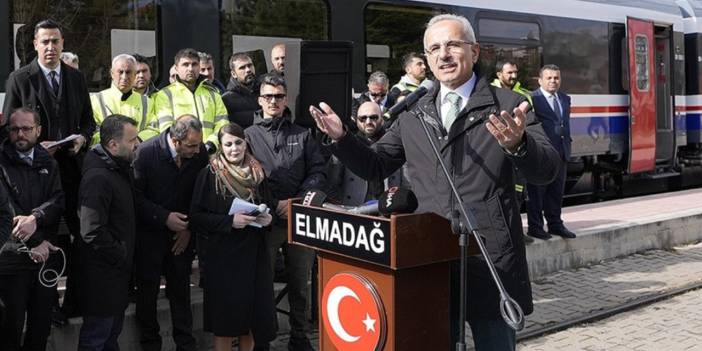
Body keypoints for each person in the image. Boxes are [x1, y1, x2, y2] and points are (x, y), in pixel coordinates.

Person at [310, 13, 560, 351]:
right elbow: (375, 164)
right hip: (429, 257)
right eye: (434, 48)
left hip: (489, 256)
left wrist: (519, 146)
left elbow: (547, 170)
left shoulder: (509, 105)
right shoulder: (415, 113)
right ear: (427, 59)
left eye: (452, 45)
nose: (443, 54)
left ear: (475, 51)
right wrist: (343, 139)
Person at [2, 18, 96, 325]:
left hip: (71, 169)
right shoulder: (20, 78)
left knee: (83, 235)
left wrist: (82, 137)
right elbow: (10, 129)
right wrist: (35, 147)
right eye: (45, 42)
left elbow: (88, 121)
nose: (51, 47)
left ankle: (74, 301)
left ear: (63, 43)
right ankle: (48, 303)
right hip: (34, 173)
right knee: (44, 235)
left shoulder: (76, 78)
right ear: (35, 45)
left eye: (56, 41)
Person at [245, 73, 326, 351]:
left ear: (286, 99)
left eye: (278, 96)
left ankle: (300, 338)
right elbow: (247, 177)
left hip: (300, 218)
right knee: (262, 284)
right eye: (268, 96)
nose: (273, 101)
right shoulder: (248, 136)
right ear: (260, 99)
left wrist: (298, 201)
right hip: (266, 220)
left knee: (300, 284)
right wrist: (274, 203)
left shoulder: (302, 133)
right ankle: (263, 341)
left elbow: (317, 170)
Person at [190, 123, 278, 351]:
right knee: (226, 324)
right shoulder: (209, 174)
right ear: (220, 147)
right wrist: (230, 222)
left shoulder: (258, 172)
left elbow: (269, 204)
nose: (234, 149)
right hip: (223, 259)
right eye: (228, 144)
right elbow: (196, 217)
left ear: (246, 143)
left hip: (254, 256)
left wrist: (268, 220)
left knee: (251, 320)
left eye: (238, 143)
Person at [133, 115, 208, 351]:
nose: (197, 151)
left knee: (180, 292)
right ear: (175, 141)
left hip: (182, 236)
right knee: (147, 293)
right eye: (191, 146)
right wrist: (164, 217)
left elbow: (201, 194)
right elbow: (135, 198)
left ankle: (185, 344)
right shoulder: (145, 154)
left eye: (198, 145)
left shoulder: (199, 153)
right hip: (150, 236)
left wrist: (189, 229)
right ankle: (150, 344)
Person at [0, 107, 64, 351]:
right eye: (15, 129)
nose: (20, 134)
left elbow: (58, 200)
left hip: (43, 259)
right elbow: (7, 208)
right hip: (11, 259)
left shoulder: (48, 161)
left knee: (41, 327)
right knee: (10, 329)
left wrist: (37, 217)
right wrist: (35, 240)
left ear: (38, 130)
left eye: (26, 129)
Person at [76, 114, 140, 351]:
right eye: (132, 139)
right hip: (102, 278)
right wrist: (120, 253)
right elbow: (91, 230)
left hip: (115, 276)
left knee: (110, 337)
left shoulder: (118, 169)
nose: (137, 144)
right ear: (113, 144)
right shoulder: (98, 178)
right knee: (97, 338)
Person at [326, 101, 408, 205]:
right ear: (356, 121)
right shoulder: (346, 146)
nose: (368, 121)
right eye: (363, 118)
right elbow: (332, 184)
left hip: (389, 208)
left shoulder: (395, 144)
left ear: (382, 119)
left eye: (373, 117)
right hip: (354, 209)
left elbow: (407, 183)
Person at [526, 64, 575, 240]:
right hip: (541, 154)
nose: (553, 81)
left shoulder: (564, 98)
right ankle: (536, 227)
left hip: (561, 152)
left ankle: (555, 224)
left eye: (556, 78)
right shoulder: (532, 99)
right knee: (537, 193)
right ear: (540, 80)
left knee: (556, 191)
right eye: (549, 78)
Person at [153, 48, 228, 153]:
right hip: (180, 155)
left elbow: (222, 124)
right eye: (185, 65)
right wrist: (186, 146)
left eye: (194, 64)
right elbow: (166, 128)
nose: (190, 68)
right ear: (176, 68)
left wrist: (211, 144)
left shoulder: (213, 94)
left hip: (210, 153)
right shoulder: (165, 95)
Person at [491, 61, 534, 244]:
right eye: (509, 73)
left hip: (514, 148)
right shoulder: (488, 90)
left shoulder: (522, 92)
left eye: (515, 72)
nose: (514, 76)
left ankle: (516, 232)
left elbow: (528, 103)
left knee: (517, 193)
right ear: (499, 74)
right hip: (493, 149)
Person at [90, 54, 158, 145]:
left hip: (138, 153)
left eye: (128, 72)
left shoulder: (147, 102)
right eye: (120, 72)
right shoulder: (95, 100)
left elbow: (153, 128)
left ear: (134, 74)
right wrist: (115, 144)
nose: (124, 77)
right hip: (105, 155)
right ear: (112, 74)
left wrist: (136, 141)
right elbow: (91, 131)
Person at [222, 52, 259, 129]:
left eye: (250, 65)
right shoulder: (227, 99)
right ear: (233, 74)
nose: (248, 70)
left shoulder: (264, 91)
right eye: (242, 67)